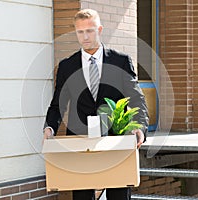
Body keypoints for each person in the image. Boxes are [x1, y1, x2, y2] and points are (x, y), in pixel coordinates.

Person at [43, 8, 149, 200]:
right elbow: (58, 104)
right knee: (82, 195)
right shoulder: (67, 66)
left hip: (116, 140)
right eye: (80, 32)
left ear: (99, 30)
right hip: (80, 141)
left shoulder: (121, 61)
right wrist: (50, 127)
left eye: (89, 30)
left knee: (118, 195)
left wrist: (139, 127)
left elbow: (137, 99)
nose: (85, 36)